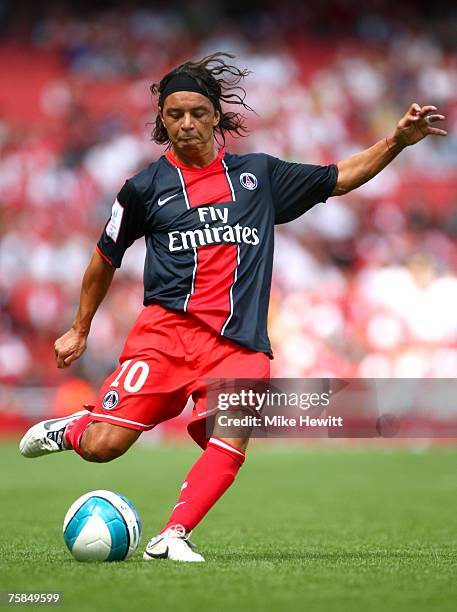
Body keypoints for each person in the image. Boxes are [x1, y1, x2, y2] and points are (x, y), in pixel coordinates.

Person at [19, 52, 447, 562]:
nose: (186, 124)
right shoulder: (142, 189)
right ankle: (70, 430)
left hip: (238, 344)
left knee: (233, 437)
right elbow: (103, 260)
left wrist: (397, 140)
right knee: (103, 446)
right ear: (162, 120)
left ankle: (172, 535)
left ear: (216, 116)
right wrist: (79, 328)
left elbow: (341, 175)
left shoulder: (258, 178)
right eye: (175, 114)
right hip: (165, 338)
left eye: (197, 113)